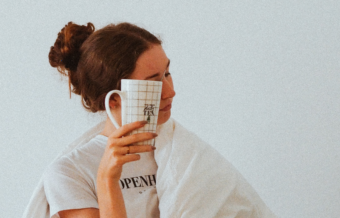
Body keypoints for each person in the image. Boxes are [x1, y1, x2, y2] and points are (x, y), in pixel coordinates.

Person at [26, 21, 276, 218]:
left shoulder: (185, 152)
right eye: (153, 82)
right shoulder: (71, 172)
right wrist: (106, 179)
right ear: (113, 99)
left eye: (167, 73)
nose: (170, 91)